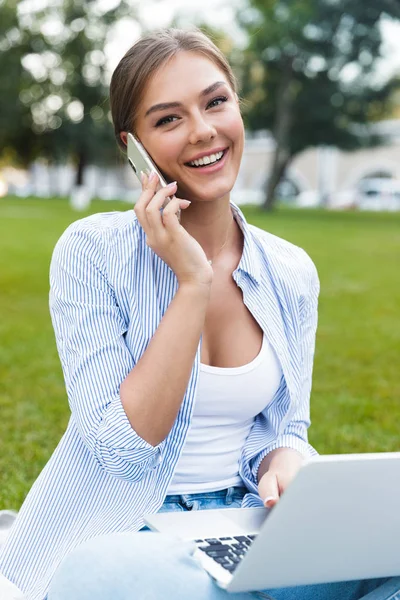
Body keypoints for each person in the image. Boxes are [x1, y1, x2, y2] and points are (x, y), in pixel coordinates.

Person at [0, 28, 399, 600]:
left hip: (244, 527)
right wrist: (192, 283)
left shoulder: (290, 270)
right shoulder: (92, 251)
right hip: (128, 532)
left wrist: (286, 458)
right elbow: (124, 448)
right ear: (132, 146)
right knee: (117, 580)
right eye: (168, 120)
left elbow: (287, 427)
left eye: (216, 102)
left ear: (238, 106)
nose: (204, 131)